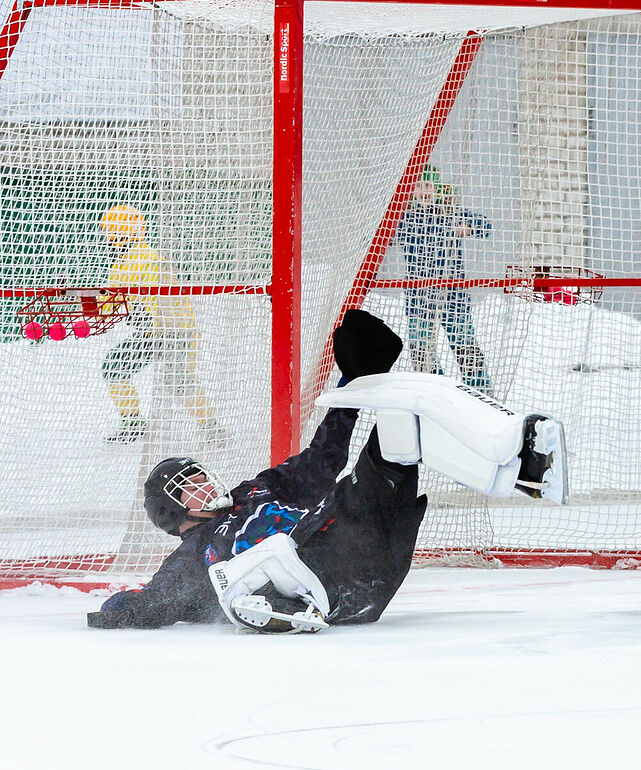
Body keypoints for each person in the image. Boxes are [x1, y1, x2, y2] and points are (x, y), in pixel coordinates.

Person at [86, 311, 563, 633]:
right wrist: (116, 610)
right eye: (189, 488)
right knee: (236, 573)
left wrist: (352, 383)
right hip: (326, 582)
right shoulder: (193, 555)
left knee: (401, 430)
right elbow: (155, 603)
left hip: (359, 540)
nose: (205, 485)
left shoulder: (256, 491)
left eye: (201, 476)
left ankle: (520, 468)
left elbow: (324, 457)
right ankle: (276, 607)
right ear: (173, 513)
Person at [97, 204, 222, 446]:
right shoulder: (122, 262)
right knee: (114, 368)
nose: (105, 241)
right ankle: (133, 424)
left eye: (108, 234)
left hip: (176, 330)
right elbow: (111, 301)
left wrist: (136, 311)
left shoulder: (144, 257)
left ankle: (212, 428)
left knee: (180, 381)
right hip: (152, 332)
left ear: (119, 233)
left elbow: (135, 297)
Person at [396, 165, 493, 395]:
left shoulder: (451, 213)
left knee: (464, 345)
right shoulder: (404, 219)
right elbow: (381, 237)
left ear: (438, 189)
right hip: (419, 297)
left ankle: (481, 392)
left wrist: (469, 227)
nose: (424, 191)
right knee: (421, 349)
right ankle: (435, 391)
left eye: (428, 185)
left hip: (452, 295)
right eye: (418, 186)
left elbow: (486, 226)